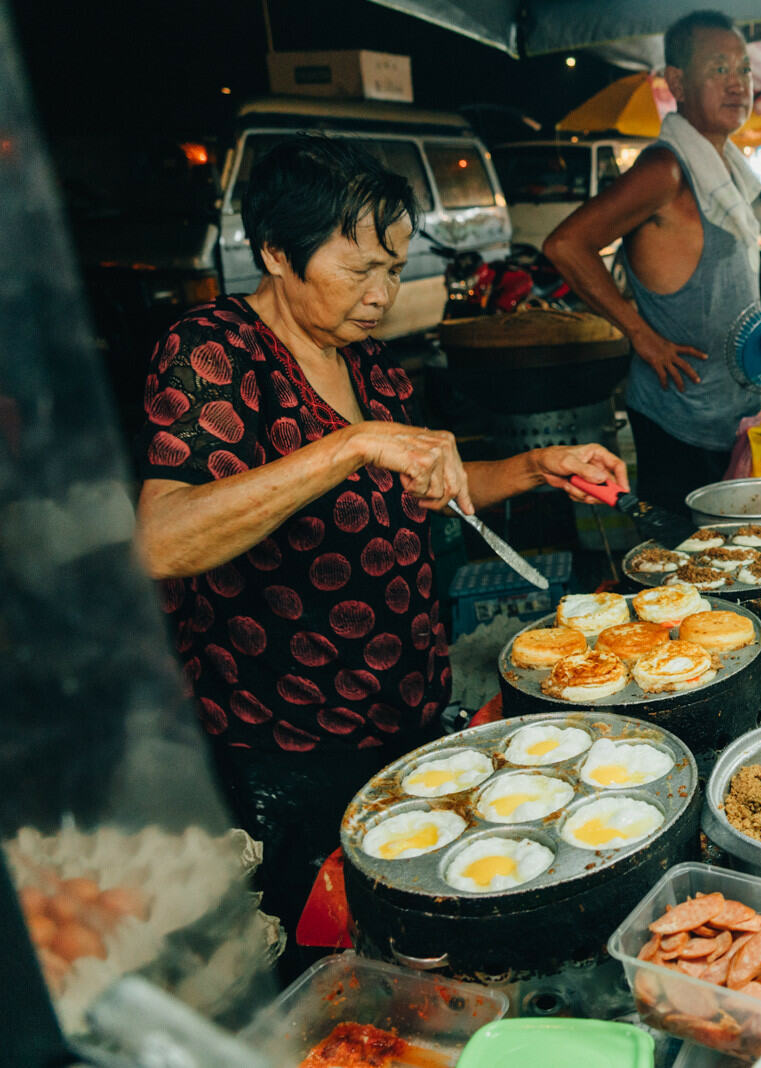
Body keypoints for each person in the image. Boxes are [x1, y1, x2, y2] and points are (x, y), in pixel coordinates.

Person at [132, 135, 628, 937]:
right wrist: (349, 444)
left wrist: (538, 466)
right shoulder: (214, 353)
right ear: (275, 254)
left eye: (393, 268)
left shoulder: (368, 362)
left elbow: (423, 488)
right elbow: (161, 539)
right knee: (319, 950)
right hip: (285, 746)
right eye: (358, 268)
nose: (381, 293)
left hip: (399, 719)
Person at [544, 10, 761, 510]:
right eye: (719, 69)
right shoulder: (666, 170)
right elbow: (565, 244)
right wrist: (640, 334)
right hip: (679, 419)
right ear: (678, 83)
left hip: (728, 412)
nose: (738, 84)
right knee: (685, 568)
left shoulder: (723, 169)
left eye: (744, 69)